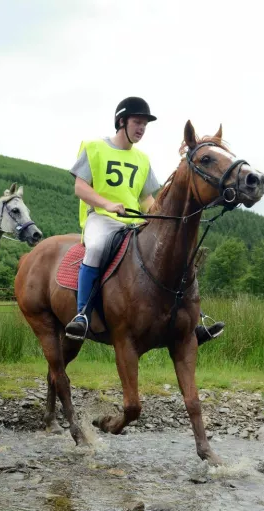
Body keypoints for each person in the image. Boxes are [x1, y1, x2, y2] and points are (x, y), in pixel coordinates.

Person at [65, 96, 225, 343]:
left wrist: (161, 218)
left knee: (168, 254)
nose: (141, 129)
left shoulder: (142, 159)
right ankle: (82, 314)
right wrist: (107, 204)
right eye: (137, 122)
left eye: (145, 125)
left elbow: (146, 199)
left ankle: (194, 321)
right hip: (101, 218)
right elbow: (80, 187)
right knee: (95, 248)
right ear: (121, 121)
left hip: (134, 221)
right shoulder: (93, 147)